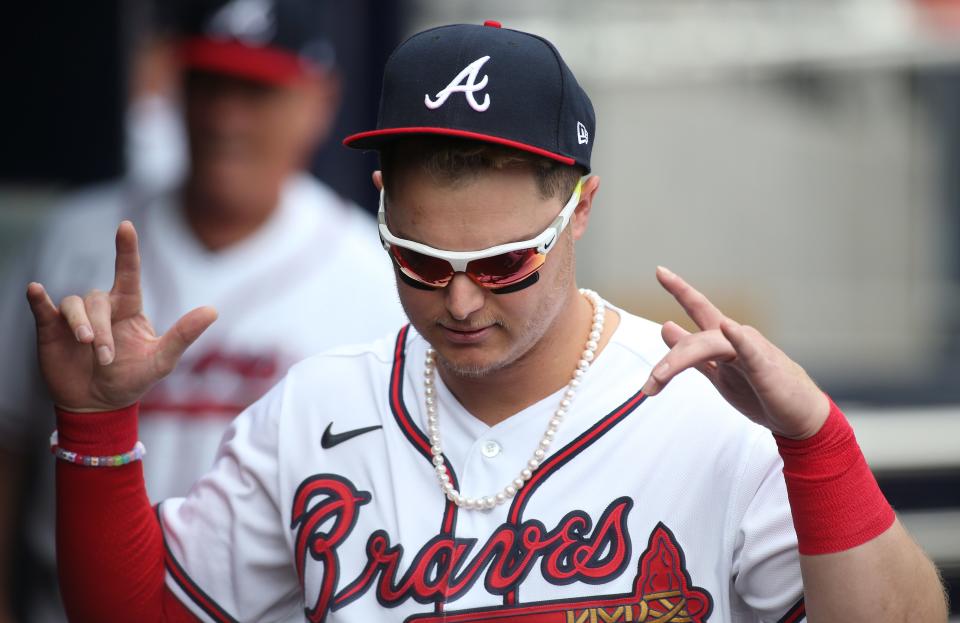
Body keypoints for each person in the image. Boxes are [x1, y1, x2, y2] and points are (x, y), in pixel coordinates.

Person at [26, 20, 947, 623]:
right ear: (380, 207)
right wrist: (97, 427)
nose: (460, 303)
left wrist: (817, 443)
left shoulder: (713, 411)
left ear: (579, 210)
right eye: (421, 263)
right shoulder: (313, 409)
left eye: (505, 264)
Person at [0, 0, 405, 620]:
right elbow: (9, 442)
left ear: (317, 100)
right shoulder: (74, 238)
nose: (226, 117)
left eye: (255, 91)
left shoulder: (373, 276)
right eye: (209, 84)